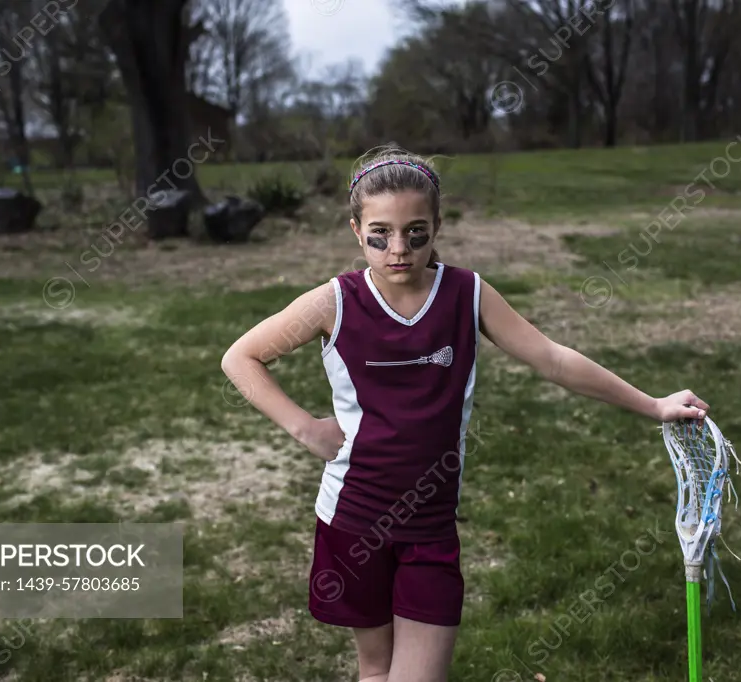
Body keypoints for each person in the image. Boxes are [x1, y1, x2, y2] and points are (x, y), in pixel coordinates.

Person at [220, 145, 710, 682]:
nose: (399, 249)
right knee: (376, 669)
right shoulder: (332, 303)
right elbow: (240, 357)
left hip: (431, 525)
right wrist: (305, 428)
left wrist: (654, 404)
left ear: (437, 226)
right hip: (353, 521)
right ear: (356, 230)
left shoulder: (466, 294)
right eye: (380, 234)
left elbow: (552, 359)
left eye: (416, 232)